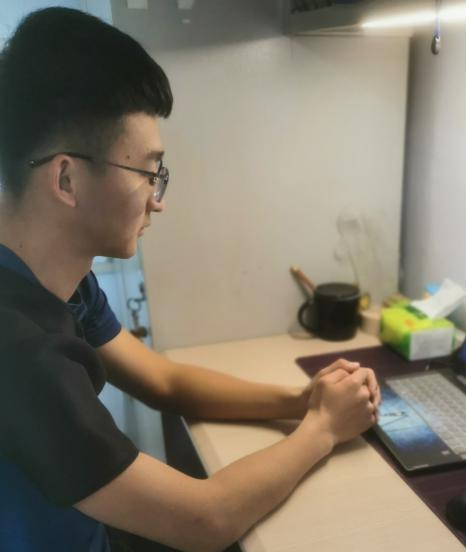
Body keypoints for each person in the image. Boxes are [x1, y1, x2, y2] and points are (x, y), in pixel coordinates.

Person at [0, 8, 380, 552]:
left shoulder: (54, 279)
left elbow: (165, 382)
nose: (158, 200)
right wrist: (323, 429)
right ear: (66, 178)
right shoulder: (21, 352)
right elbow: (205, 519)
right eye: (148, 173)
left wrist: (301, 400)